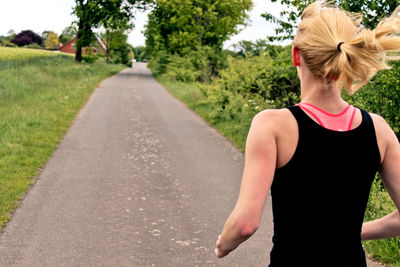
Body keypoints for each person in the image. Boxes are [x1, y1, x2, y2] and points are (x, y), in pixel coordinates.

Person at [215, 1, 400, 266]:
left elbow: (245, 224)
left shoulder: (272, 125)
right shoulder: (378, 129)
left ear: (296, 55)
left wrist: (223, 244)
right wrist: (350, 232)